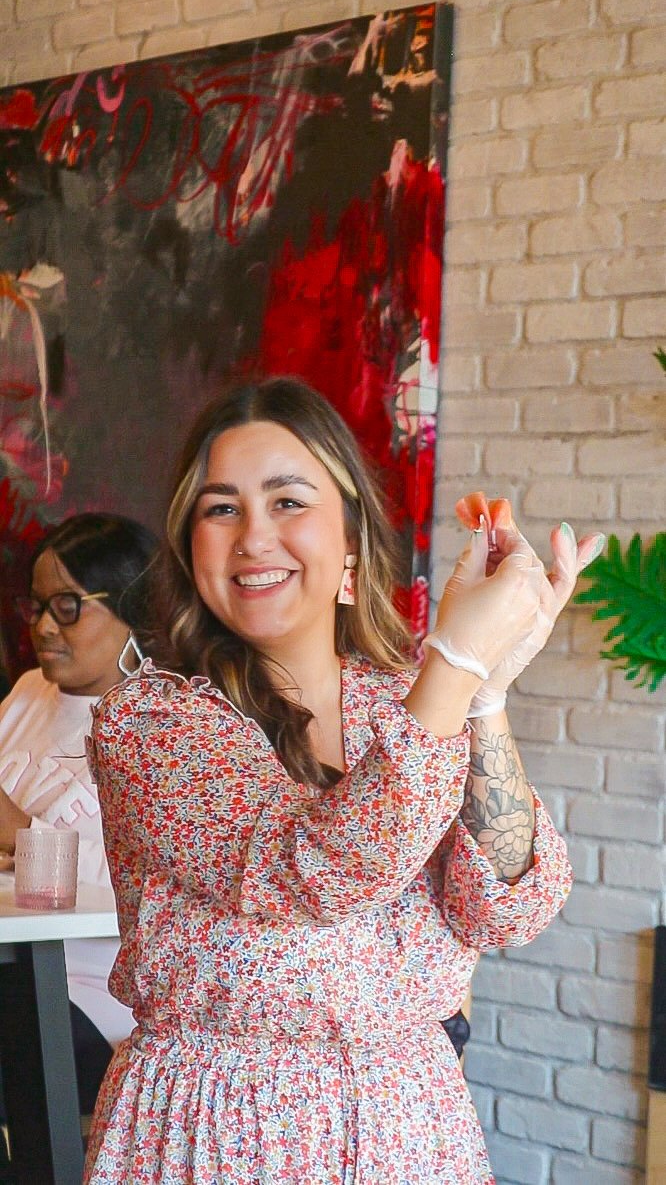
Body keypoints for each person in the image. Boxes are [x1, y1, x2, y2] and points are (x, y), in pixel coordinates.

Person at [84, 378, 604, 1184]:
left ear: (352, 544)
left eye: (288, 501)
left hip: (410, 1120)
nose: (254, 535)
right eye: (221, 509)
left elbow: (505, 903)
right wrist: (453, 667)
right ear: (192, 548)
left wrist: (487, 691)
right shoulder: (150, 723)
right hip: (218, 1127)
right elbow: (315, 870)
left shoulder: (402, 703)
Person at [0, 512, 158, 1113]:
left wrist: (19, 834)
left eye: (68, 606)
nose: (43, 626)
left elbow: (144, 882)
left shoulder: (165, 725)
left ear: (135, 608)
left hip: (98, 996)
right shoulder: (27, 695)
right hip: (14, 968)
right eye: (37, 605)